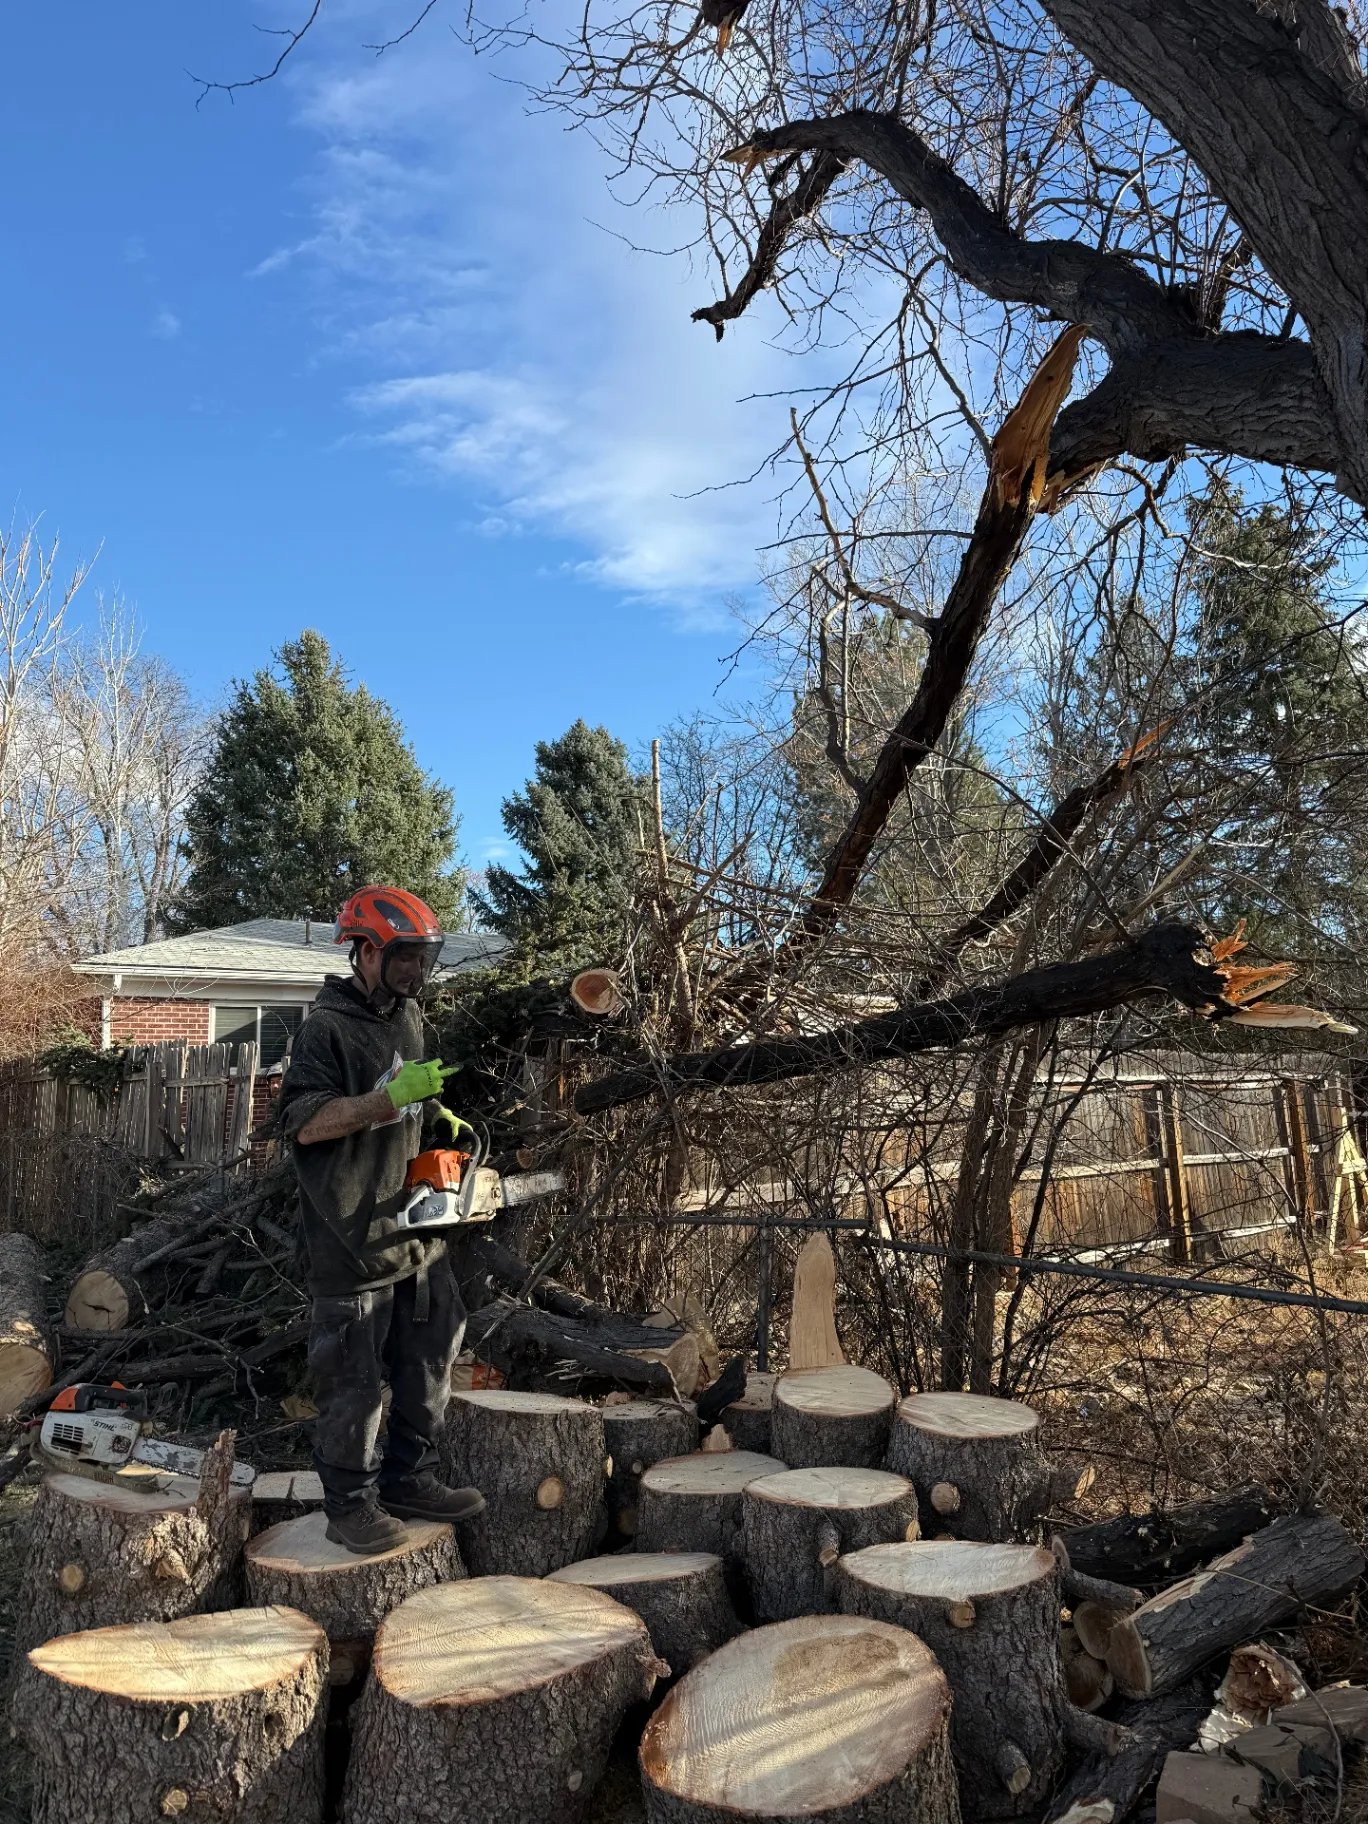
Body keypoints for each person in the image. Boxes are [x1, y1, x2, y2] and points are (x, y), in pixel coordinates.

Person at [275, 885, 485, 1554]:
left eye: (424, 960)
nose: (416, 973)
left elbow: (408, 1101)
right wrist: (385, 1099)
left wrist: (431, 1119)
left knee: (432, 1355)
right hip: (349, 1233)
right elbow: (305, 1124)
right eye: (404, 960)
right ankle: (349, 1504)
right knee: (353, 1381)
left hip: (411, 1223)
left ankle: (408, 1477)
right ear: (365, 952)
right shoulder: (325, 1028)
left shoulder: (408, 1018)